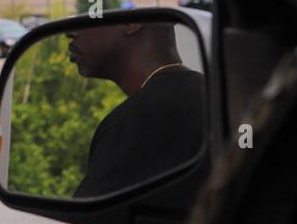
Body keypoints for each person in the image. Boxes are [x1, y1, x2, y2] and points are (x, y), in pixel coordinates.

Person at [66, 21, 205, 198]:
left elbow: (81, 219)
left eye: (90, 16)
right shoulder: (213, 92)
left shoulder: (137, 121)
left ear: (132, 23)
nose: (70, 32)